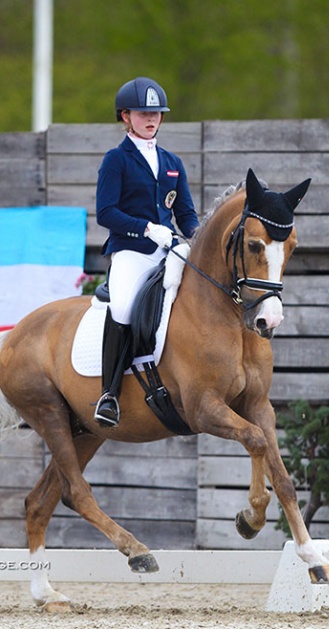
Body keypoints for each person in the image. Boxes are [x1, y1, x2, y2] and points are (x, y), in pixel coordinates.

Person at [94, 76, 199, 427]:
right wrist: (146, 228)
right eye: (143, 113)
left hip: (168, 250)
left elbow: (184, 213)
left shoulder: (172, 162)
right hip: (131, 250)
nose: (151, 118)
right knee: (123, 306)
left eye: (156, 112)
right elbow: (105, 212)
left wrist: (197, 240)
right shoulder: (116, 160)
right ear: (126, 117)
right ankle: (109, 394)